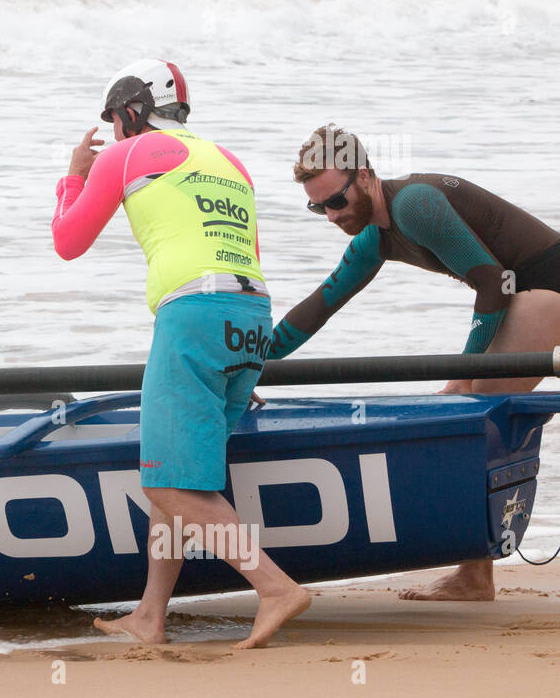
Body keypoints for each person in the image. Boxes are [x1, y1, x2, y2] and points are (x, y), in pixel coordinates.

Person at [51, 60, 311, 648]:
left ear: (130, 113)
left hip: (193, 314)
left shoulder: (124, 155)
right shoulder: (229, 163)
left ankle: (274, 587)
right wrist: (239, 364)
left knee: (167, 486)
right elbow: (248, 252)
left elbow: (68, 241)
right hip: (250, 317)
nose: (115, 132)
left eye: (116, 121)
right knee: (182, 484)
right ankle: (150, 616)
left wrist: (72, 177)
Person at [266, 124, 560, 602]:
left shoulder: (413, 205)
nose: (330, 215)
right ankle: (474, 574)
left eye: (336, 201)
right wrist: (250, 361)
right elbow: (317, 308)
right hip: (527, 296)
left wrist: (464, 374)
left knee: (469, 414)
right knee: (469, 412)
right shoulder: (374, 239)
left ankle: (473, 577)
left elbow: (494, 281)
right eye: (318, 207)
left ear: (364, 176)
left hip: (544, 293)